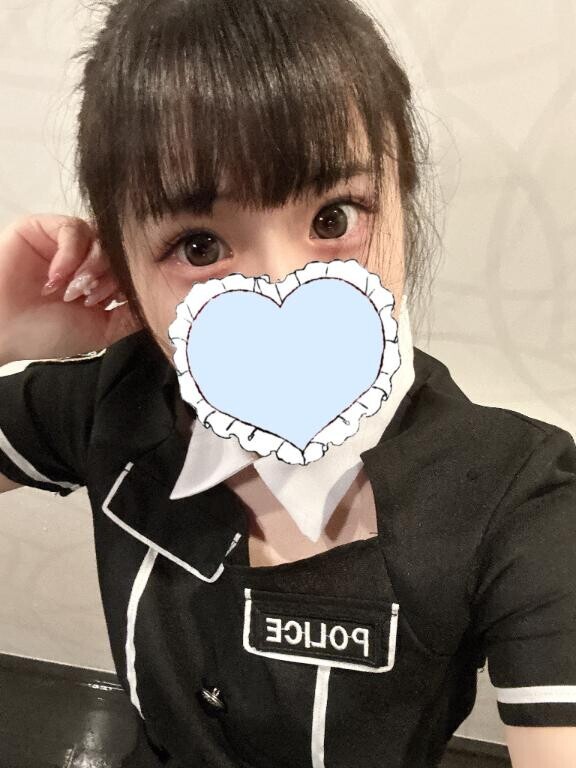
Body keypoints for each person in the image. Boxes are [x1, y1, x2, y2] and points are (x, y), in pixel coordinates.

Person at [0, 1, 575, 766]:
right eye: (198, 245)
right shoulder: (115, 399)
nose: (282, 287)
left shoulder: (519, 497)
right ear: (127, 268)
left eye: (334, 218)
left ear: (402, 200)